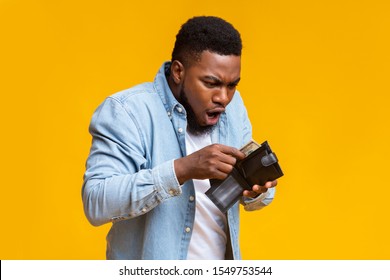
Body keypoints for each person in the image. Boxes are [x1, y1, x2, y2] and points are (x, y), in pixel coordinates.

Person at [82, 16, 277, 260]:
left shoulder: (234, 107)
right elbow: (96, 202)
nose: (224, 98)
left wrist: (256, 188)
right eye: (211, 83)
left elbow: (254, 200)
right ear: (178, 71)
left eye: (232, 85)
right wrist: (182, 169)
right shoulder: (127, 111)